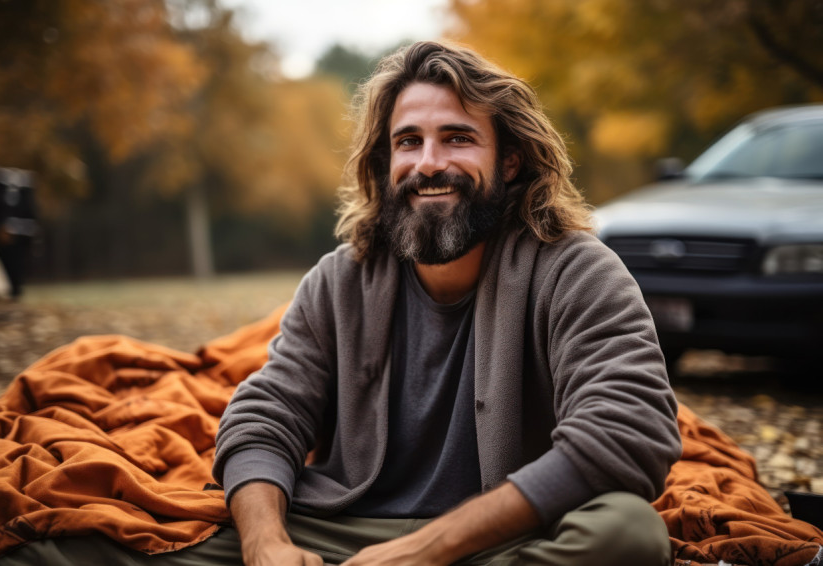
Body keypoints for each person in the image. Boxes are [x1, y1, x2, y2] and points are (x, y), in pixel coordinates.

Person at [212, 40, 682, 566]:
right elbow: (263, 416)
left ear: (509, 161)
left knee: (628, 534)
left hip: (505, 535)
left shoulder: (577, 271)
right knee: (119, 537)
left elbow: (631, 427)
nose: (429, 164)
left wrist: (428, 550)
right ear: (385, 160)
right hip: (348, 533)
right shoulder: (339, 281)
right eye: (408, 142)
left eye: (457, 138)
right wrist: (266, 544)